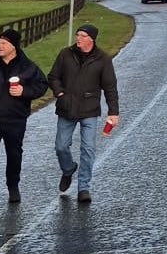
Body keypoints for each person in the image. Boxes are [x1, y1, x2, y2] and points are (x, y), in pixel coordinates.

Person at [0, 28, 48, 215]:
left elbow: (42, 85)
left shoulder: (27, 67)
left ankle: (13, 185)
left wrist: (24, 92)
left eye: (4, 43)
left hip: (15, 119)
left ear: (13, 46)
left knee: (14, 155)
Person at [48, 22, 118, 205]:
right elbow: (53, 77)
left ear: (91, 39)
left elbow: (110, 87)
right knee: (61, 146)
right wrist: (60, 93)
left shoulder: (103, 59)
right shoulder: (65, 54)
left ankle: (83, 187)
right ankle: (68, 168)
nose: (77, 38)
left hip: (89, 109)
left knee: (88, 148)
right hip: (67, 107)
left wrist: (113, 112)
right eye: (77, 35)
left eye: (81, 36)